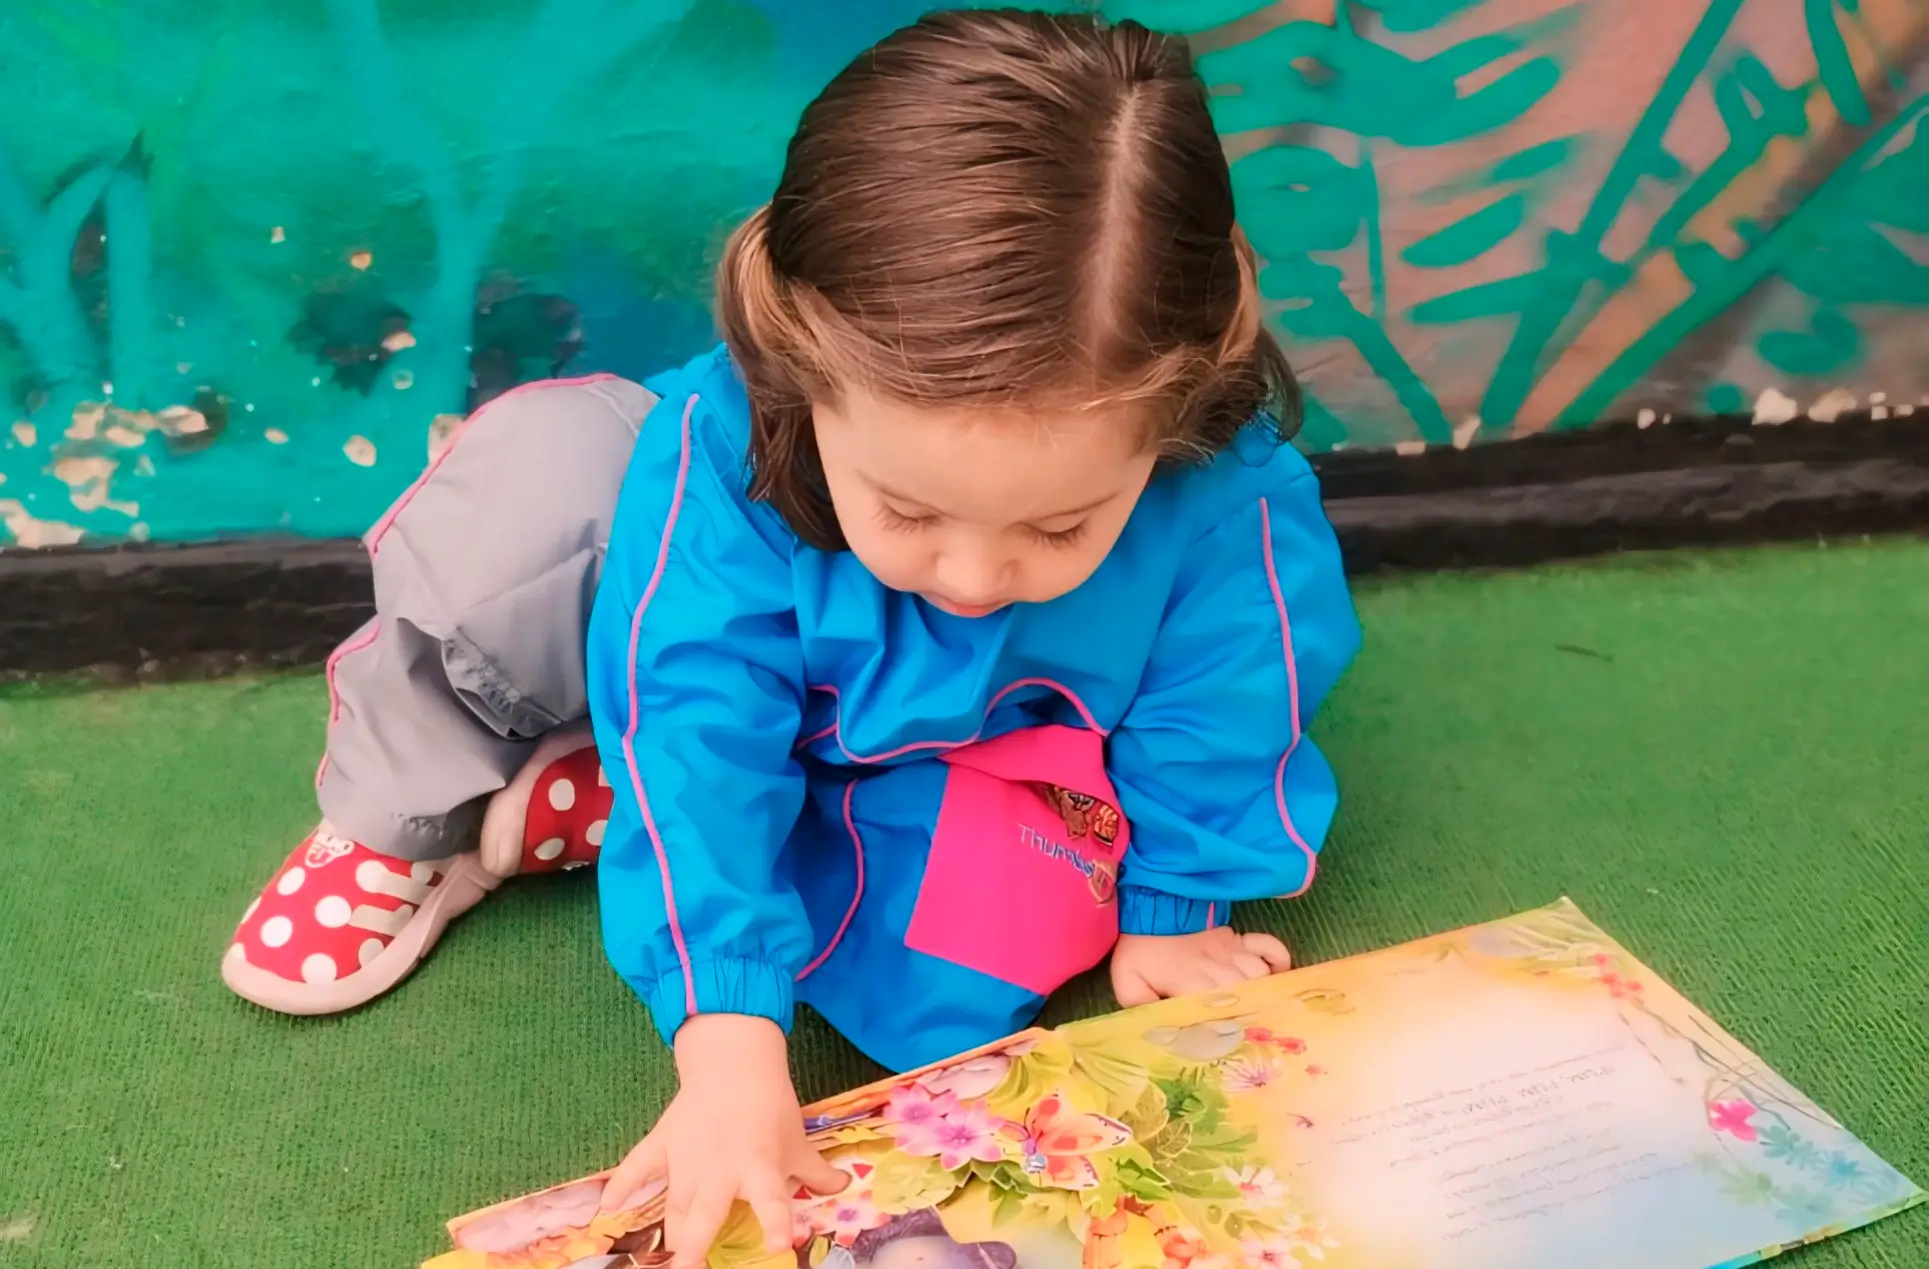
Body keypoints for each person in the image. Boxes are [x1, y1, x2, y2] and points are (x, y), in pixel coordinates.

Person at [220, 10, 1360, 1268]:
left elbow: (1228, 697)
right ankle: (411, 812)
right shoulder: (715, 455)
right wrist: (728, 1036)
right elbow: (699, 717)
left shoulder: (1228, 489)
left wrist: (1170, 905)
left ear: (1186, 398)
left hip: (931, 738)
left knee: (986, 966)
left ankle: (592, 792)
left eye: (1062, 523)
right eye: (911, 509)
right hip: (672, 621)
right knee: (537, 528)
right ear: (798, 363)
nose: (975, 579)